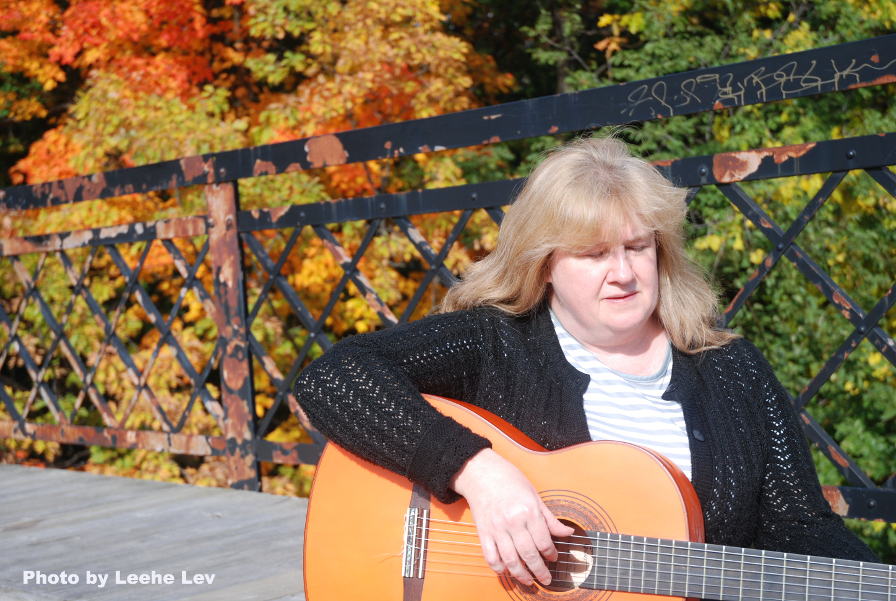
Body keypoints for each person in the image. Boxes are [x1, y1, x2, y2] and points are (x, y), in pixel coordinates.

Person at [293, 136, 878, 587]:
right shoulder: (499, 344)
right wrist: (479, 474)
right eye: (594, 254)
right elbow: (332, 379)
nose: (623, 273)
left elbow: (802, 528)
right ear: (544, 264)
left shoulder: (732, 370)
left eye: (637, 247)